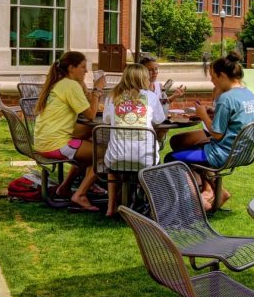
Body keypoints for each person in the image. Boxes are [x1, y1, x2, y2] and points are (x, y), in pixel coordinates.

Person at [166, 52, 254, 209]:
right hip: (242, 151)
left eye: (213, 76)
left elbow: (217, 134)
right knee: (188, 149)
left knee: (171, 158)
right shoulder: (248, 94)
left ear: (222, 75)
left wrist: (203, 115)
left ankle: (197, 203)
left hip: (222, 153)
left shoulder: (226, 98)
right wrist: (213, 112)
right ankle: (217, 192)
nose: (211, 80)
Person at [33, 51, 105, 211]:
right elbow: (91, 114)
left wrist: (84, 87)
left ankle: (65, 187)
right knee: (105, 154)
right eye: (82, 68)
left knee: (91, 140)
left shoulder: (61, 83)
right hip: (55, 144)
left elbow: (84, 110)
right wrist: (97, 91)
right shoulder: (70, 85)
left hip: (44, 141)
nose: (85, 71)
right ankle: (80, 194)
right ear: (72, 68)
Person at [101, 63, 165, 216]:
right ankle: (147, 202)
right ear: (144, 78)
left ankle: (111, 207)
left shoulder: (113, 96)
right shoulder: (151, 96)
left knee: (114, 170)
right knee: (152, 162)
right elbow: (159, 120)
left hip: (116, 158)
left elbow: (106, 120)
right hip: (145, 159)